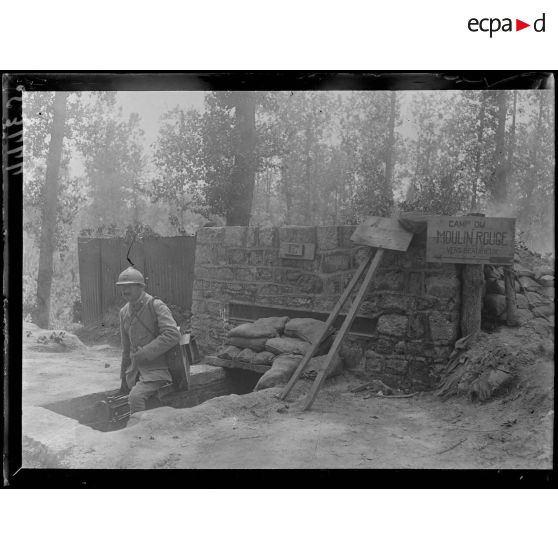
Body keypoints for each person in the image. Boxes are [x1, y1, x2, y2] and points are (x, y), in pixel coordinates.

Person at [116, 266, 180, 414]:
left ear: (140, 287)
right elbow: (126, 349)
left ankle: (137, 434)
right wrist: (123, 378)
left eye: (129, 286)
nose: (125, 291)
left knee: (136, 397)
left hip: (158, 370)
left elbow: (172, 334)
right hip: (136, 372)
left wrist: (146, 353)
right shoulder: (124, 312)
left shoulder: (155, 305)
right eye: (122, 287)